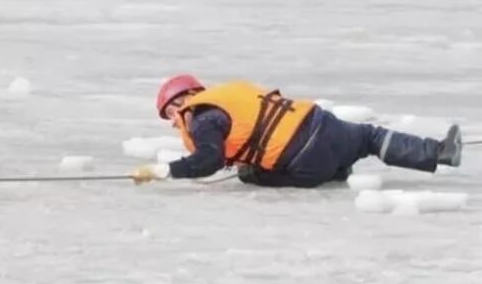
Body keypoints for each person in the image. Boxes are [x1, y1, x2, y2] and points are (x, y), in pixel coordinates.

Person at [131, 75, 463, 187]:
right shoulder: (223, 101)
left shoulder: (202, 117)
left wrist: (164, 170)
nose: (174, 121)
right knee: (369, 137)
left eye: (172, 112)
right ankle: (439, 152)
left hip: (304, 161)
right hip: (322, 126)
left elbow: (209, 159)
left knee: (250, 174)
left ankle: (333, 171)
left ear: (187, 98)